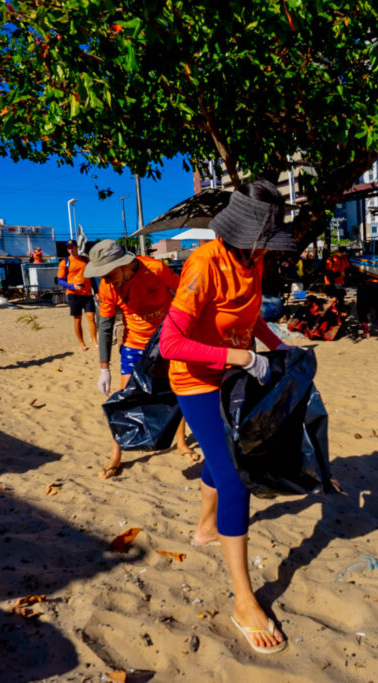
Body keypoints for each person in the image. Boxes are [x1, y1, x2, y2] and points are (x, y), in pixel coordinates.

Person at [159, 179, 294, 655]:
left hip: (236, 371)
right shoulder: (203, 263)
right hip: (197, 378)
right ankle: (243, 600)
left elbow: (248, 315)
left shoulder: (252, 261)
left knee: (222, 457)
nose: (267, 255)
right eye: (264, 245)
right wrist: (240, 359)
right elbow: (169, 342)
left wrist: (279, 346)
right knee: (236, 478)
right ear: (241, 236)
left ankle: (205, 530)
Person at [84, 239, 197, 478]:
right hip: (134, 345)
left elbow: (184, 294)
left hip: (168, 339)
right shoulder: (107, 287)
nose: (105, 278)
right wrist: (104, 367)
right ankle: (116, 453)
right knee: (124, 399)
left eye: (108, 272)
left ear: (124, 265)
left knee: (178, 392)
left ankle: (181, 442)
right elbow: (104, 326)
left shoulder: (155, 269)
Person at [56, 241, 97, 351]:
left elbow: (91, 277)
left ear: (77, 247)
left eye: (72, 247)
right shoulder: (64, 262)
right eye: (68, 248)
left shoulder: (85, 260)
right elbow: (60, 280)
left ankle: (94, 341)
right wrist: (72, 286)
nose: (70, 249)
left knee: (91, 317)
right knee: (77, 319)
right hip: (73, 294)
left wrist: (96, 291)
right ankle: (81, 343)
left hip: (87, 293)